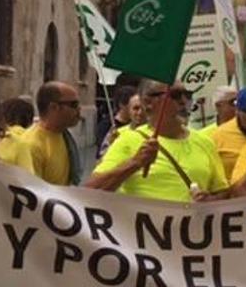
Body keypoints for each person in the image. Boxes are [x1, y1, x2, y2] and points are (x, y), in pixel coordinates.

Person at [86, 80, 229, 203]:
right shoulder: (128, 140)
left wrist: (210, 201)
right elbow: (91, 191)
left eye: (187, 95)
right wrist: (135, 163)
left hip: (191, 233)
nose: (183, 101)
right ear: (148, 103)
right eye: (175, 95)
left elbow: (222, 192)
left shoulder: (204, 141)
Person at [23, 81, 82, 185]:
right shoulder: (32, 145)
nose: (79, 109)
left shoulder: (65, 136)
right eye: (74, 104)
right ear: (54, 107)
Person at [95, 85, 137, 154]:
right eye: (134, 107)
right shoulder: (106, 125)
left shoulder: (136, 124)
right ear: (122, 105)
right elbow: (101, 153)